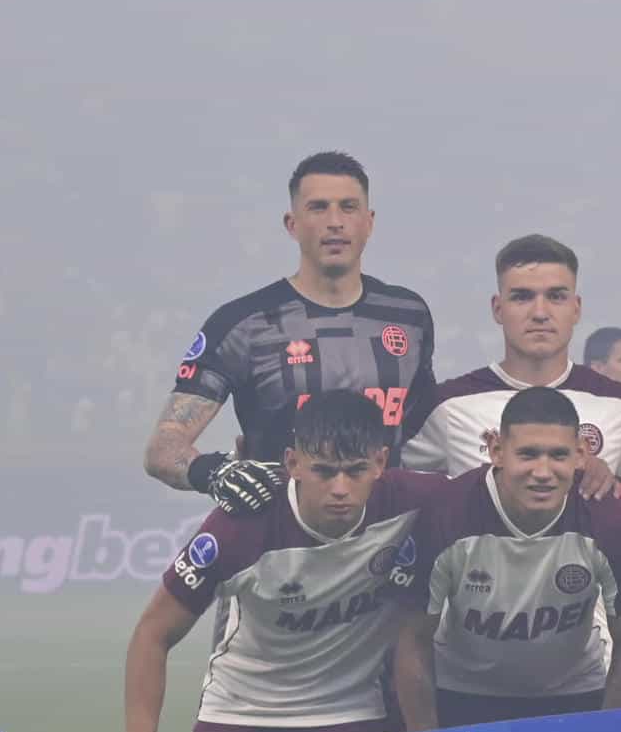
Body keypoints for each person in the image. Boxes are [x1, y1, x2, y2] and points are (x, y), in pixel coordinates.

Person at [120, 391, 439, 732]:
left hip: (352, 722)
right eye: (324, 472)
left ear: (380, 462)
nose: (340, 489)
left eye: (355, 471)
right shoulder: (239, 526)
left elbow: (491, 495)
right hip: (238, 723)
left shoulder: (410, 501)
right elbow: (152, 634)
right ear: (292, 464)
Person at [144, 151, 436, 516]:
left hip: (383, 544)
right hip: (279, 544)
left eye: (348, 207)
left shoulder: (408, 315)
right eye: (318, 208)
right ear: (292, 223)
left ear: (369, 222)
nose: (335, 222)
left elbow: (427, 434)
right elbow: (163, 449)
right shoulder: (244, 324)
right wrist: (218, 472)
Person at [394, 388, 621, 728]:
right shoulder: (447, 512)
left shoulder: (610, 519)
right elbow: (412, 640)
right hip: (462, 694)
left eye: (558, 455)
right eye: (528, 454)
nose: (543, 471)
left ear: (581, 454)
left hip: (575, 694)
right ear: (496, 451)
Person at [399, 236, 621, 509]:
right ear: (497, 308)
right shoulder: (447, 406)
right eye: (522, 297)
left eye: (556, 297)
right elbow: (390, 500)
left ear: (576, 309)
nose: (540, 312)